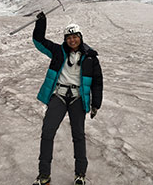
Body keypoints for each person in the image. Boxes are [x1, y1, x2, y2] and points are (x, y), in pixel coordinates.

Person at [32, 11, 103, 185]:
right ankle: (44, 176)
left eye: (75, 36)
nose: (72, 40)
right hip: (59, 95)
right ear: (65, 39)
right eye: (68, 37)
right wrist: (41, 22)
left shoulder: (91, 57)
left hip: (78, 98)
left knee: (78, 135)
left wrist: (96, 104)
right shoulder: (57, 51)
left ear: (80, 37)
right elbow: (39, 41)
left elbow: (97, 82)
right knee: (47, 132)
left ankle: (80, 175)